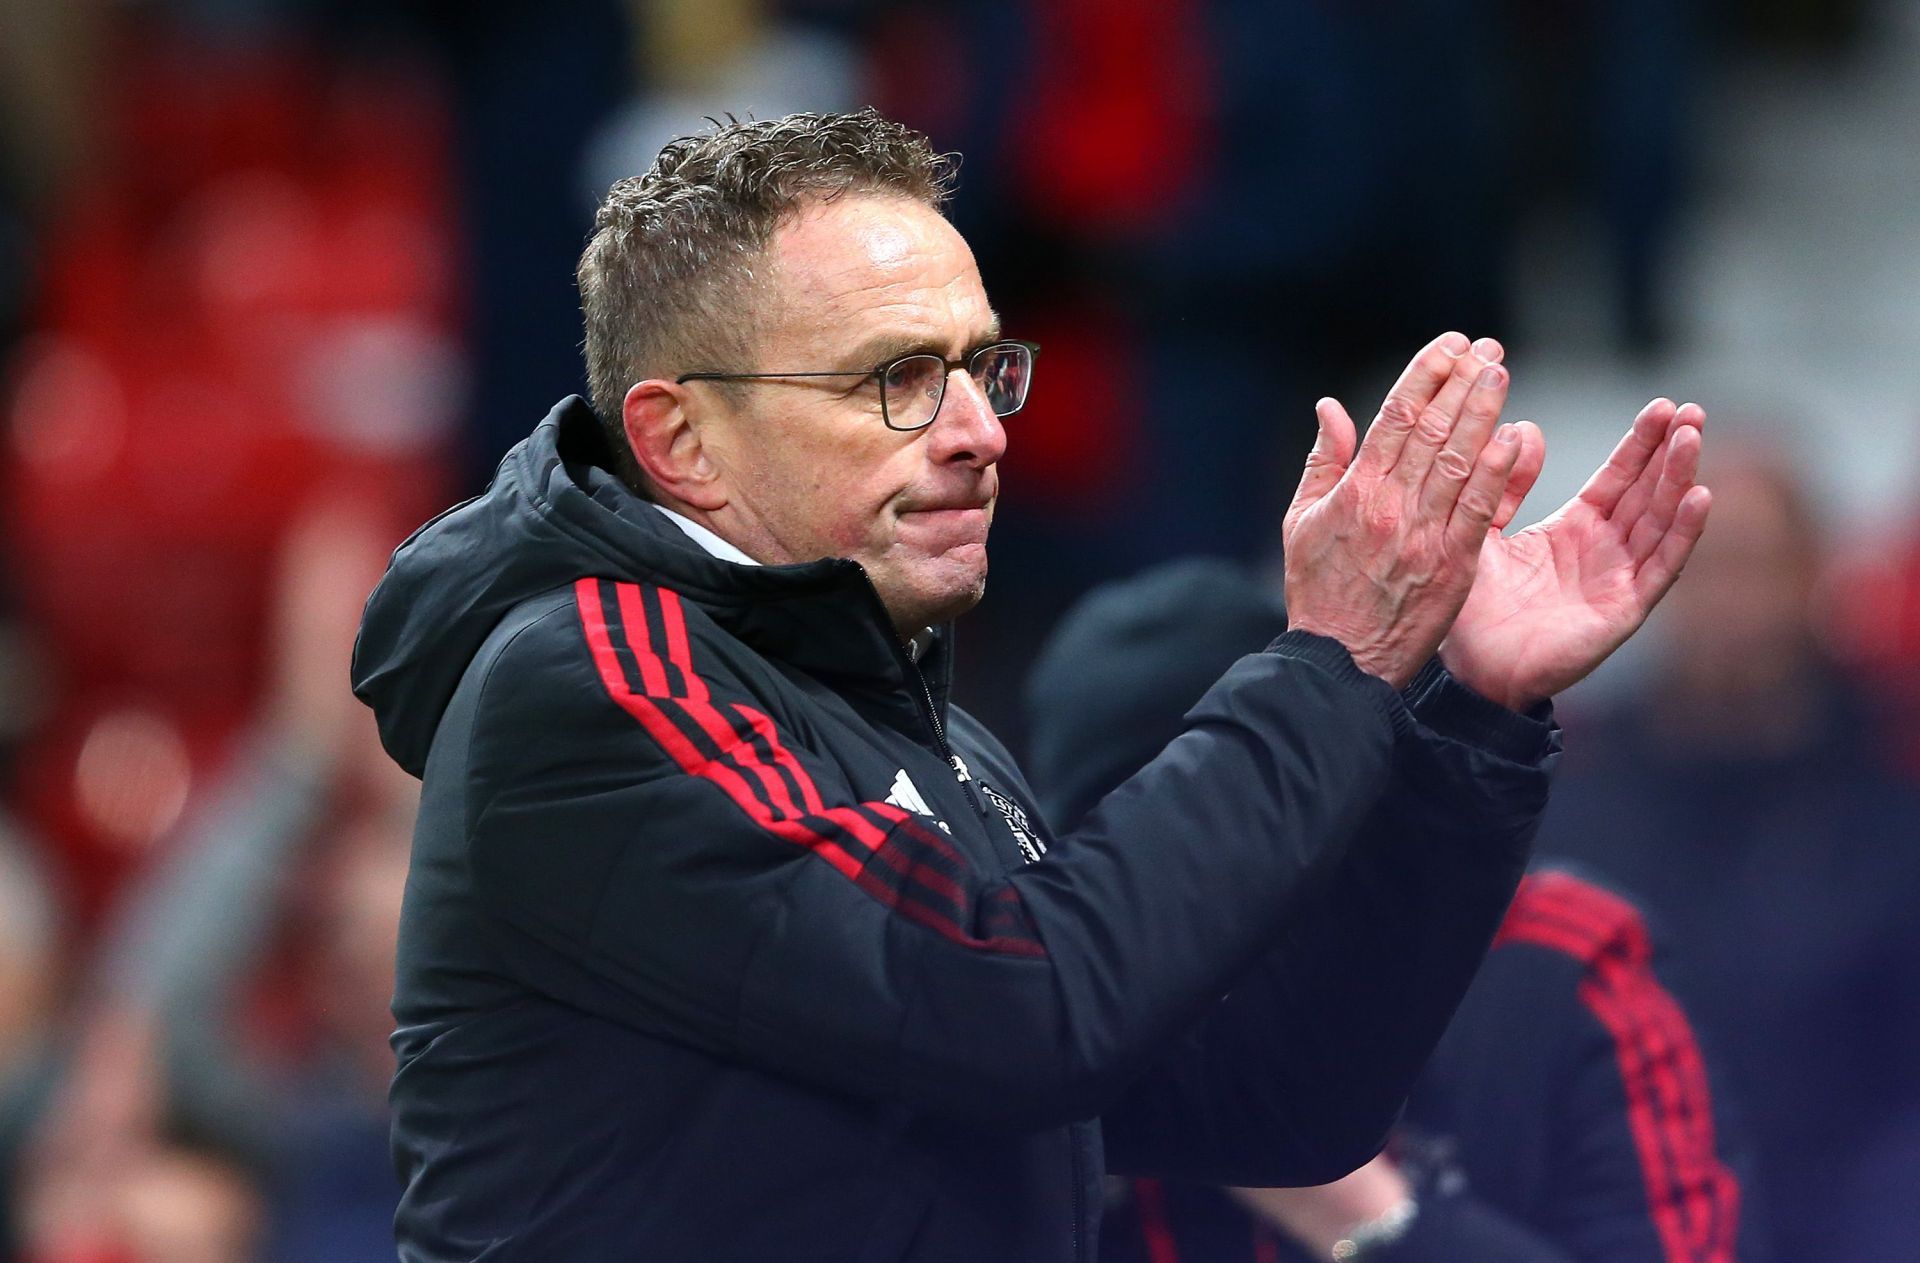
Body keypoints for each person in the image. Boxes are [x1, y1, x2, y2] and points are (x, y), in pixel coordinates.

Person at [350, 109, 1711, 1261]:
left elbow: (1277, 1106)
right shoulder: (597, 675)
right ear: (684, 438)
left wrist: (1466, 713)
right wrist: (1334, 656)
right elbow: (1028, 1008)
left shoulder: (941, 745)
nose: (981, 431)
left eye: (980, 366)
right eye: (898, 378)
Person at [1026, 558, 1744, 1262]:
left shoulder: (1563, 961)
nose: (1164, 898)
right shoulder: (1050, 1019)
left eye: (1200, 846)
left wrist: (1362, 1210)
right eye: (1119, 860)